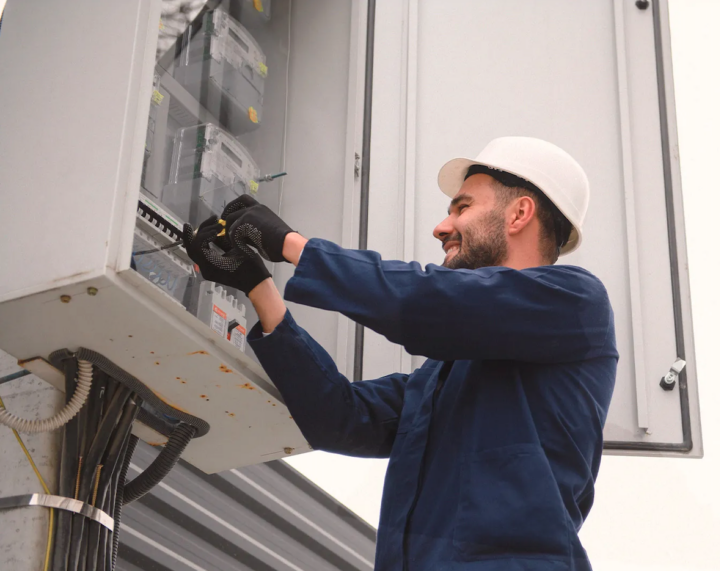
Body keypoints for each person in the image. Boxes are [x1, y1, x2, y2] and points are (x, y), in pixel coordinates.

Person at [183, 136, 618, 571]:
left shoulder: (577, 303)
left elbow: (431, 302)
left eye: (462, 207)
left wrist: (291, 244)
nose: (441, 227)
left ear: (519, 213)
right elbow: (342, 418)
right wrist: (259, 287)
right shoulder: (442, 377)